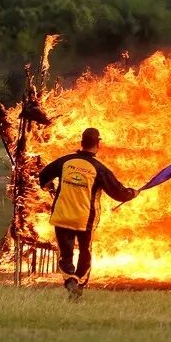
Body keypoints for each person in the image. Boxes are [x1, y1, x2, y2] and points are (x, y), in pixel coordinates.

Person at [37, 127, 137, 298]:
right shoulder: (99, 169)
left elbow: (43, 176)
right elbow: (118, 193)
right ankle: (78, 282)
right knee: (85, 251)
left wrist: (49, 187)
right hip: (84, 220)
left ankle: (69, 280)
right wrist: (132, 193)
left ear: (81, 142)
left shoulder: (65, 162)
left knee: (65, 253)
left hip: (62, 216)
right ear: (98, 144)